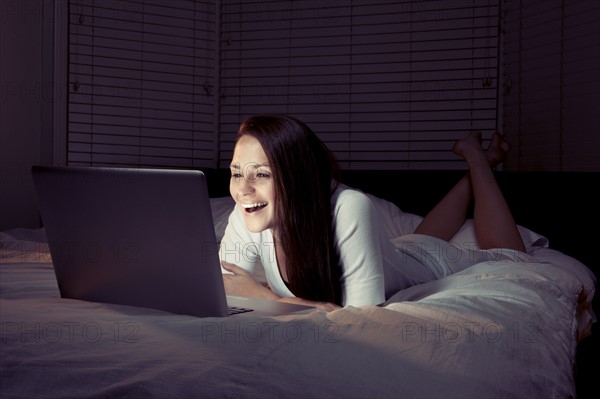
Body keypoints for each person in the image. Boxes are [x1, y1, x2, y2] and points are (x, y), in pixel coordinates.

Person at [219, 114, 526, 311]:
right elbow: (227, 290)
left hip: (428, 262)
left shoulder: (349, 206)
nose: (243, 189)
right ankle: (478, 158)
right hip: (404, 250)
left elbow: (362, 321)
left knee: (510, 257)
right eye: (236, 173)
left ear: (298, 177)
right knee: (419, 239)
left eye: (261, 174)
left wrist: (267, 297)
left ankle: (477, 158)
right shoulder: (248, 209)